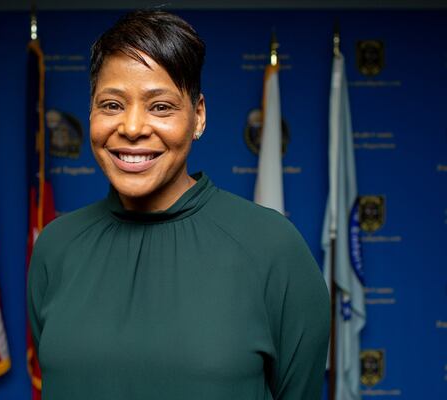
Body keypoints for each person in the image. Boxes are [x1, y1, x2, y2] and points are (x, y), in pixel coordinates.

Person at [28, 10, 330, 400]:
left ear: (198, 116)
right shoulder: (56, 247)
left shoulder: (273, 247)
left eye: (160, 107)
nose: (133, 128)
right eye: (112, 105)